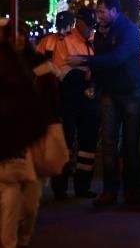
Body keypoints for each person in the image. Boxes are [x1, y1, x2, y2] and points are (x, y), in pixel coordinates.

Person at [67, 0, 140, 207]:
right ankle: (110, 191)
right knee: (109, 142)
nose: (99, 16)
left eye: (102, 11)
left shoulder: (128, 30)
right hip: (110, 92)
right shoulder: (102, 32)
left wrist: (84, 61)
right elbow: (103, 62)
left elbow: (116, 58)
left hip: (131, 91)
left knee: (130, 144)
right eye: (98, 12)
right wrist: (94, 79)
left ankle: (132, 191)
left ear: (114, 11)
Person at [1, 19, 60, 248]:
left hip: (35, 143)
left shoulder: (39, 65)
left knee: (30, 204)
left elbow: (52, 101)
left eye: (21, 35)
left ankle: (23, 236)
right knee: (9, 195)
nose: (18, 40)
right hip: (10, 146)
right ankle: (10, 241)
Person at [37, 7, 100, 199]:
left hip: (89, 96)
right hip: (69, 96)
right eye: (86, 26)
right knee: (65, 141)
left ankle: (83, 185)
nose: (89, 30)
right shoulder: (61, 41)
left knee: (87, 143)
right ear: (78, 22)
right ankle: (60, 187)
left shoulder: (94, 40)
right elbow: (56, 68)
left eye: (92, 27)